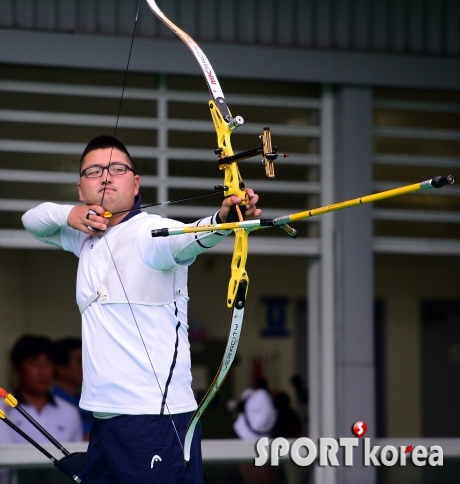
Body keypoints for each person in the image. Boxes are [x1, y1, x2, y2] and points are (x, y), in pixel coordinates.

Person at [21, 135, 261, 484]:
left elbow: (190, 236)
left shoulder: (149, 233)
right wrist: (70, 215)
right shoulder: (85, 237)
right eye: (94, 171)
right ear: (80, 189)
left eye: (117, 169)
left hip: (154, 421)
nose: (105, 176)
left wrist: (223, 218)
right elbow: (32, 220)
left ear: (135, 184)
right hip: (106, 419)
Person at [0, 335, 83, 444]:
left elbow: (77, 457)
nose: (42, 371)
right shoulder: (3, 409)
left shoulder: (70, 412)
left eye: (48, 364)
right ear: (18, 370)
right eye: (34, 365)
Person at [53, 337, 93, 440]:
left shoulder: (91, 402)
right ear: (61, 368)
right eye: (80, 362)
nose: (86, 366)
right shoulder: (49, 405)